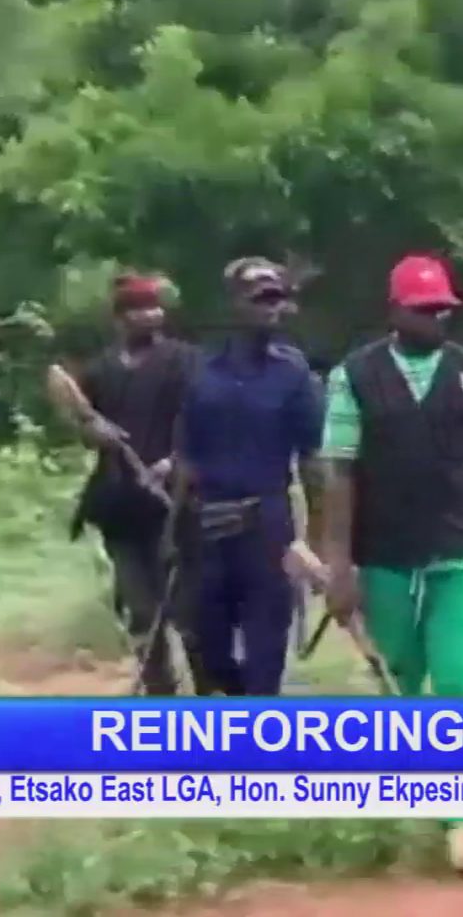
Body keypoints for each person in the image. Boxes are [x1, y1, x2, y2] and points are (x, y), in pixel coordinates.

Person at [317, 253, 463, 877]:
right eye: (423, 310)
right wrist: (338, 564)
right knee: (401, 681)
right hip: (383, 556)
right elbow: (340, 472)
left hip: (458, 553)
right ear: (395, 312)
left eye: (443, 309)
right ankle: (398, 802)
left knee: (457, 685)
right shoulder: (354, 377)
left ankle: (461, 822)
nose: (436, 318)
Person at [177, 258, 327, 698]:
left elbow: (313, 460)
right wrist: (172, 534)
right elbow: (185, 456)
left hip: (268, 529)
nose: (272, 308)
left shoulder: (294, 373)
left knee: (266, 656)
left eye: (278, 298)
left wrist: (313, 545)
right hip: (207, 529)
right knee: (210, 653)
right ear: (235, 304)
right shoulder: (202, 373)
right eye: (260, 298)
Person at [48, 273, 202, 695]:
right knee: (140, 608)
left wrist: (172, 462)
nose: (150, 315)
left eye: (155, 307)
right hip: (119, 506)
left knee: (189, 610)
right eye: (139, 308)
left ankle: (209, 697)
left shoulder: (185, 361)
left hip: (176, 505)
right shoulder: (100, 370)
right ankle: (160, 694)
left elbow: (200, 419)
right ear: (120, 318)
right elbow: (83, 422)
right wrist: (96, 435)